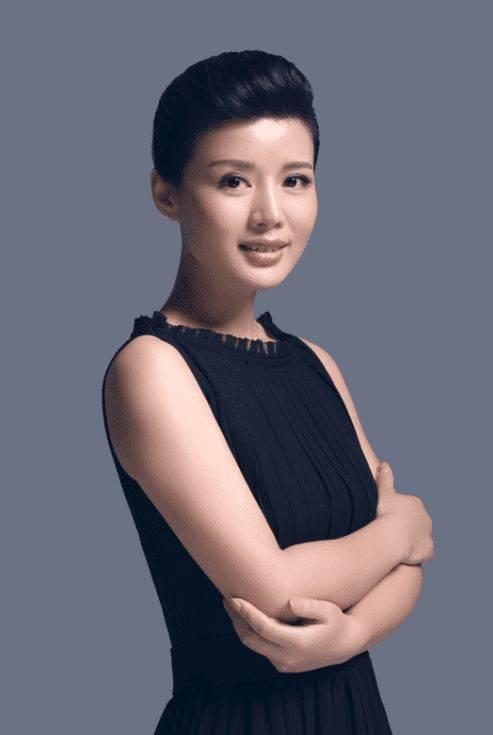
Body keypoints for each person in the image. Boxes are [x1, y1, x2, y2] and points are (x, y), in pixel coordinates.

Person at [101, 49, 434, 734]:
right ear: (167, 194)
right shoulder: (152, 368)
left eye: (295, 180)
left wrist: (350, 633)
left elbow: (412, 570)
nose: (270, 215)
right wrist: (398, 527)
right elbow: (274, 591)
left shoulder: (315, 362)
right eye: (232, 181)